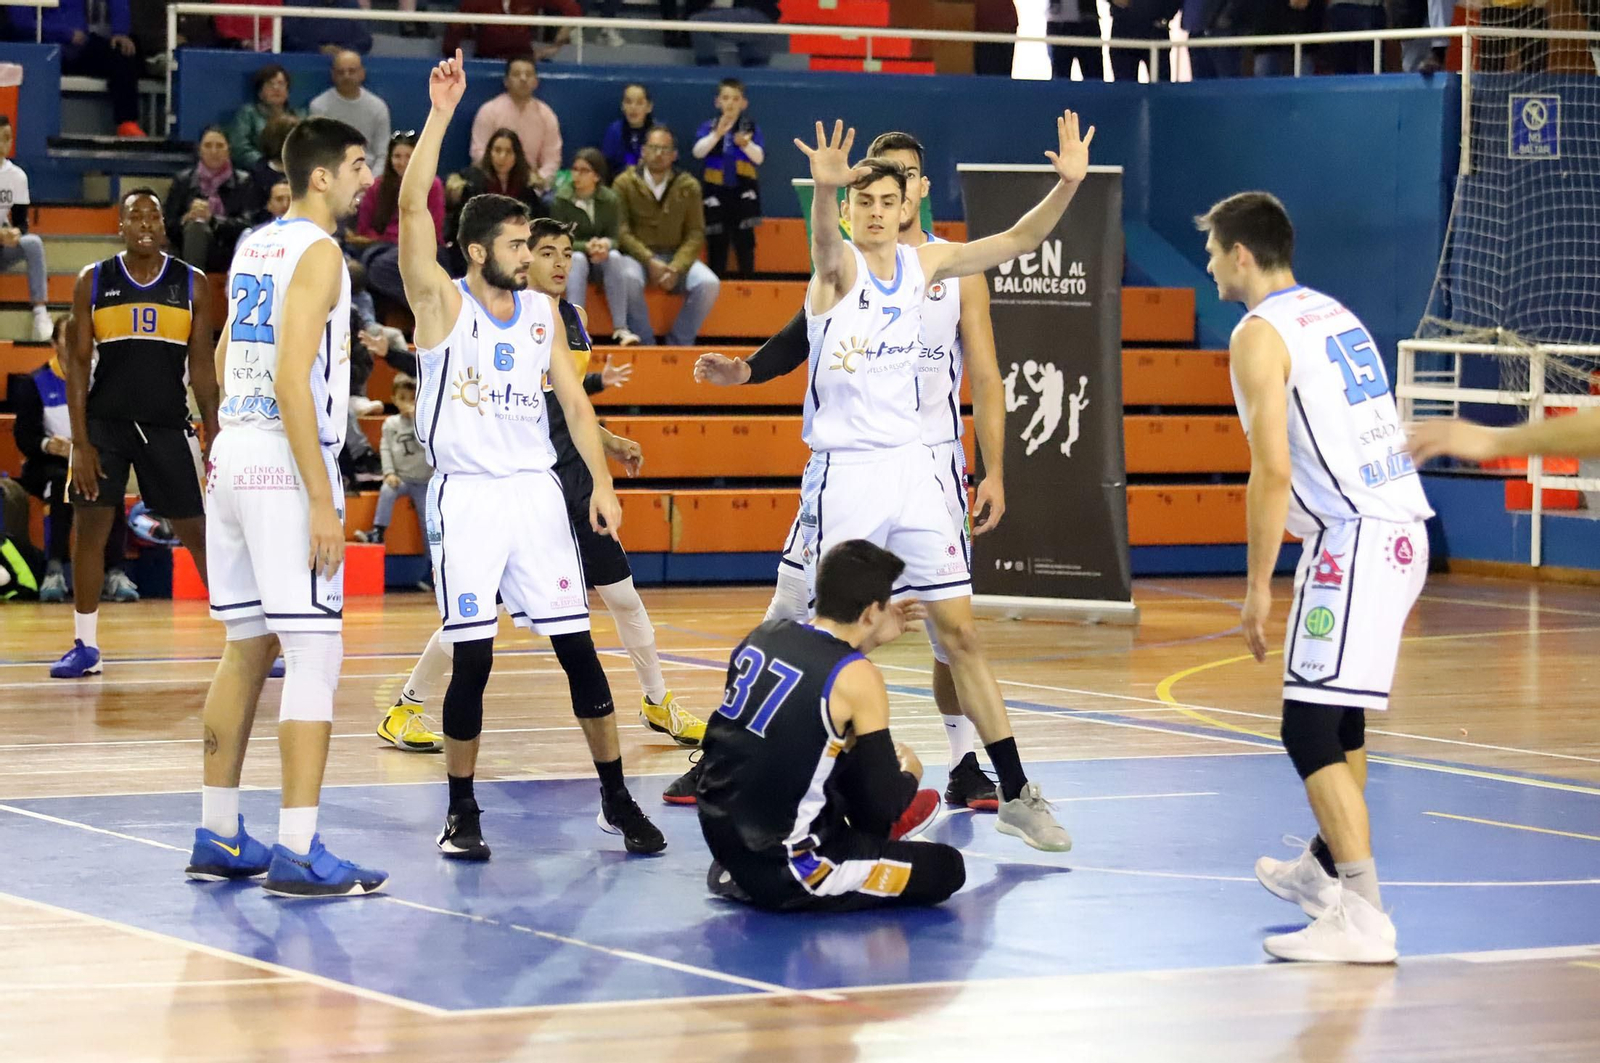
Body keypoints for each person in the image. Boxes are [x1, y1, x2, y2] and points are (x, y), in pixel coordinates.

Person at [750, 115, 1091, 851]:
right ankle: (789, 783)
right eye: (859, 201)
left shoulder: (929, 264)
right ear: (846, 208)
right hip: (848, 473)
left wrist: (1066, 185)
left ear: (906, 205)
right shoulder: (835, 269)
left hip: (917, 471)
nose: (873, 211)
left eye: (885, 200)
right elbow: (819, 243)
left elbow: (1020, 241)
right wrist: (824, 193)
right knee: (825, 640)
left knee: (961, 633)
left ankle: (1016, 789)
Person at [683, 130, 1007, 813]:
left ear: (920, 189)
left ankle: (965, 761)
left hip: (931, 464)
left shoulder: (949, 268)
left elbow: (985, 369)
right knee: (794, 609)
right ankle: (733, 745)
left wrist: (994, 468)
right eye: (881, 187)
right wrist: (746, 370)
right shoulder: (853, 266)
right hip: (853, 463)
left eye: (909, 180)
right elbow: (806, 330)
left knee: (954, 629)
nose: (896, 193)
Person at [395, 50, 664, 859]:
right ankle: (461, 810)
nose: (528, 250)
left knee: (580, 651)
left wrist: (604, 485)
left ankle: (616, 799)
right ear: (475, 251)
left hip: (539, 495)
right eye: (513, 242)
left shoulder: (545, 312)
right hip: (470, 497)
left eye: (527, 239)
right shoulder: (441, 305)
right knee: (471, 661)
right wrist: (442, 114)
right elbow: (413, 216)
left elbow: (576, 405)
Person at [1198, 190, 1431, 963]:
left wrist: (1258, 582)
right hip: (1397, 530)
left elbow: (1271, 469)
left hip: (1357, 536)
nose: (1206, 264)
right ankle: (1325, 872)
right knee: (1340, 721)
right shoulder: (1330, 312)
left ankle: (1362, 915)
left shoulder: (1258, 334)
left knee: (1306, 728)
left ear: (1241, 255)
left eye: (1212, 250)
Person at [374, 219, 693, 756]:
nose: (559, 263)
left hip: (572, 480)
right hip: (517, 487)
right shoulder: (490, 316)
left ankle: (657, 701)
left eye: (566, 253)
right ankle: (407, 706)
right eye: (545, 252)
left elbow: (567, 405)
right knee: (477, 618)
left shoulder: (570, 317)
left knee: (623, 595)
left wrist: (608, 444)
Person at [187, 115, 387, 897]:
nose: (367, 177)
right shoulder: (320, 252)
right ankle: (298, 847)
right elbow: (291, 377)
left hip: (232, 451)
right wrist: (320, 498)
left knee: (248, 645)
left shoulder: (254, 245)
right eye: (359, 164)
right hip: (278, 454)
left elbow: (226, 345)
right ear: (322, 176)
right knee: (313, 652)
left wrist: (221, 447)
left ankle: (218, 828)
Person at [697, 539, 962, 912]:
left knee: (828, 746)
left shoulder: (765, 635)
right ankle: (776, 881)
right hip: (792, 869)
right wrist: (909, 776)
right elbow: (879, 808)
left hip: (723, 840)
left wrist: (867, 641)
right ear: (872, 612)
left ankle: (744, 874)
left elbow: (817, 679)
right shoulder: (859, 676)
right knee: (947, 868)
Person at [51, 189, 218, 680]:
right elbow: (78, 367)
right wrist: (80, 443)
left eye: (153, 216)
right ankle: (86, 646)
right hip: (104, 425)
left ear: (165, 226)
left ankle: (243, 640)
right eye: (134, 216)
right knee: (90, 531)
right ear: (120, 226)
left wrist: (215, 432)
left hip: (167, 423)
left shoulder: (193, 284)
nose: (144, 223)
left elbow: (203, 370)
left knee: (199, 533)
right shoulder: (93, 281)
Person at [12, 316, 135, 604]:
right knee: (61, 481)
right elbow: (24, 436)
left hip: (91, 459)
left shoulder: (101, 383)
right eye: (69, 340)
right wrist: (47, 445)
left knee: (110, 481)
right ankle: (54, 568)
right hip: (47, 464)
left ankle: (115, 572)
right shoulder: (36, 383)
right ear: (55, 344)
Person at [614, 126, 720, 346]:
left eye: (665, 149)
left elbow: (695, 232)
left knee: (709, 284)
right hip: (637, 258)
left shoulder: (688, 186)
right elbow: (621, 230)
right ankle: (645, 343)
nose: (659, 153)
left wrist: (677, 267)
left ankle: (679, 343)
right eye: (653, 148)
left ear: (674, 155)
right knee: (627, 278)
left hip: (675, 257)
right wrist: (648, 260)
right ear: (643, 151)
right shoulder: (624, 183)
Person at [7, 0, 145, 136]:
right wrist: (66, 34)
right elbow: (21, 23)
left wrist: (120, 31)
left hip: (79, 48)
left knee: (122, 53)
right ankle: (30, 133)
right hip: (40, 51)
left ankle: (127, 124)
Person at [552, 147, 643, 346]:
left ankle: (621, 328)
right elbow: (559, 240)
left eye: (584, 171)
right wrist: (587, 246)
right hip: (574, 257)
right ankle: (577, 328)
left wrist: (606, 244)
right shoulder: (561, 200)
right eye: (575, 169)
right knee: (577, 259)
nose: (577, 175)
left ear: (596, 176)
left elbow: (615, 237)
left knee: (616, 257)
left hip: (602, 259)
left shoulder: (610, 199)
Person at [347, 132, 444, 307]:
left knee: (384, 267)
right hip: (383, 249)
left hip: (422, 249)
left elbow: (434, 230)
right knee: (373, 266)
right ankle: (426, 306)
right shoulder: (377, 186)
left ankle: (429, 307)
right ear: (389, 159)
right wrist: (391, 240)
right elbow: (364, 230)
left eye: (409, 156)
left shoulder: (433, 185)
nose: (403, 162)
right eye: (397, 156)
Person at [443, 127, 550, 273]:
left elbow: (536, 225)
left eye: (508, 152)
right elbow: (463, 227)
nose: (502, 156)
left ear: (516, 156)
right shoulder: (473, 184)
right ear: (489, 152)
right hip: (479, 248)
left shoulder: (526, 189)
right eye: (497, 150)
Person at [692, 78, 763, 279]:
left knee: (744, 239)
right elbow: (698, 152)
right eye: (725, 98)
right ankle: (716, 280)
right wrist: (716, 135)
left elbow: (759, 157)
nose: (730, 103)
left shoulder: (749, 128)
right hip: (716, 191)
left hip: (743, 190)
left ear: (743, 103)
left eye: (735, 98)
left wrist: (745, 145)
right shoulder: (709, 127)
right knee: (717, 239)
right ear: (718, 102)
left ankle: (749, 281)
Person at [164, 126, 259, 273]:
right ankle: (194, 286)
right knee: (196, 226)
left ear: (229, 149)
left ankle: (193, 287)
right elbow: (167, 225)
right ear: (199, 150)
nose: (214, 151)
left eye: (219, 146)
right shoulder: (183, 180)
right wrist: (186, 218)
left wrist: (213, 220)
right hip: (187, 248)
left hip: (229, 249)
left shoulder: (244, 181)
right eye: (208, 146)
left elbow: (249, 225)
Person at [354, 374, 430, 546]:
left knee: (427, 520)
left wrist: (417, 419)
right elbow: (385, 449)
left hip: (424, 481)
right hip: (401, 479)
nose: (407, 403)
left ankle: (432, 559)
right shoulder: (390, 424)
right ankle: (377, 532)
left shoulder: (425, 423)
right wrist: (389, 473)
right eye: (402, 398)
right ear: (394, 399)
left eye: (412, 399)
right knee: (387, 490)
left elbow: (427, 445)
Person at [467, 56, 562, 193]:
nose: (523, 79)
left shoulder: (547, 115)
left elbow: (552, 158)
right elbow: (479, 153)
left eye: (528, 75)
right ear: (506, 81)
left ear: (536, 82)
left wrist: (540, 179)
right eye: (516, 74)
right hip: (493, 185)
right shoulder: (488, 111)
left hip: (531, 185)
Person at [0, 117, 54, 340]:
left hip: (2, 249)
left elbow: (21, 223)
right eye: (1, 138)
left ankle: (40, 312)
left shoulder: (17, 176)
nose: (6, 143)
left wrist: (16, 233)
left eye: (8, 138)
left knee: (33, 243)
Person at [308, 50, 392, 175]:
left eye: (352, 71)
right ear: (333, 75)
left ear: (362, 73)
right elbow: (317, 152)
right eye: (341, 72)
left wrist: (371, 185)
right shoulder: (319, 106)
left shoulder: (378, 107)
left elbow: (382, 154)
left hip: (367, 176)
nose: (346, 76)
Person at [444, 0, 581, 62]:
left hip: (524, 59)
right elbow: (455, 28)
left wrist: (555, 46)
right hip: (488, 60)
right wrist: (452, 58)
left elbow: (573, 10)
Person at [228, 65, 301, 171]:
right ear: (260, 92)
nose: (276, 88)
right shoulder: (248, 114)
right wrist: (265, 165)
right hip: (257, 170)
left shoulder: (298, 115)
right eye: (270, 84)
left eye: (281, 84)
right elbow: (239, 148)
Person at [601, 84, 655, 183]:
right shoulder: (614, 131)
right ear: (622, 105)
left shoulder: (658, 133)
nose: (633, 108)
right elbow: (606, 166)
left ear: (649, 107)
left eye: (639, 103)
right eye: (628, 102)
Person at [280, 0, 373, 56]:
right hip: (304, 60)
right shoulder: (297, 2)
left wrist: (343, 51)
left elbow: (365, 40)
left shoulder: (351, 4)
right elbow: (287, 37)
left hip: (343, 61)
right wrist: (318, 49)